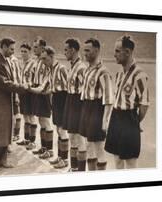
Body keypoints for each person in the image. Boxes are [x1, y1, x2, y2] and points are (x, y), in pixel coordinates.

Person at [105, 35, 149, 169]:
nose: (114, 55)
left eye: (118, 51)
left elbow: (144, 105)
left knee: (130, 162)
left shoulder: (140, 75)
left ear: (128, 52)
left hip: (129, 119)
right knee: (117, 159)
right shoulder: (119, 74)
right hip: (115, 118)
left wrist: (133, 122)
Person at [0, 38, 28, 171]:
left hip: (4, 103)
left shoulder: (4, 60)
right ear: (3, 47)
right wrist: (23, 87)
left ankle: (2, 161)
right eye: (11, 49)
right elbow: (5, 83)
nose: (13, 52)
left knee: (4, 132)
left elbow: (8, 81)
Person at [29, 46, 70, 168]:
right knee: (58, 129)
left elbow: (69, 88)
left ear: (52, 57)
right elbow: (45, 88)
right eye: (41, 59)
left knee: (62, 130)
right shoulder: (50, 69)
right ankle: (59, 156)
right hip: (56, 99)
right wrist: (29, 88)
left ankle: (65, 160)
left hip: (64, 99)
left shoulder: (61, 69)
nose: (43, 62)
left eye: (45, 59)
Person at [79, 38, 114, 171]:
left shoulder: (103, 72)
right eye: (84, 50)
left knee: (98, 146)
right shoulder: (88, 70)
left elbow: (109, 98)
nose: (85, 53)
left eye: (88, 50)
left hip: (97, 110)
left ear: (97, 50)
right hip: (87, 107)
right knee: (88, 144)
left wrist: (104, 120)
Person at [62, 38, 88, 171]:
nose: (64, 52)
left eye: (66, 50)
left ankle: (81, 171)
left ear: (73, 50)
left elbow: (86, 91)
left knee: (79, 138)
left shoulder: (82, 68)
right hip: (71, 101)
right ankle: (74, 168)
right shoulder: (72, 66)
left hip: (78, 103)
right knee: (72, 136)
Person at [28, 37, 54, 160]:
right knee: (40, 121)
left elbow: (49, 78)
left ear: (43, 48)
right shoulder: (37, 60)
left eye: (36, 47)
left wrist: (45, 90)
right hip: (37, 91)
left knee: (46, 121)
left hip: (44, 92)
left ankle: (50, 150)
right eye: (33, 47)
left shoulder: (45, 61)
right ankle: (44, 147)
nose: (34, 49)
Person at [16, 43, 37, 146]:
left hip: (30, 93)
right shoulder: (21, 63)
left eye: (25, 52)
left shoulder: (34, 64)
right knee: (25, 116)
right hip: (22, 92)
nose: (23, 53)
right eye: (22, 51)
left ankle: (32, 141)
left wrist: (30, 86)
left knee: (31, 116)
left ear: (30, 53)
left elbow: (36, 80)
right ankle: (26, 139)